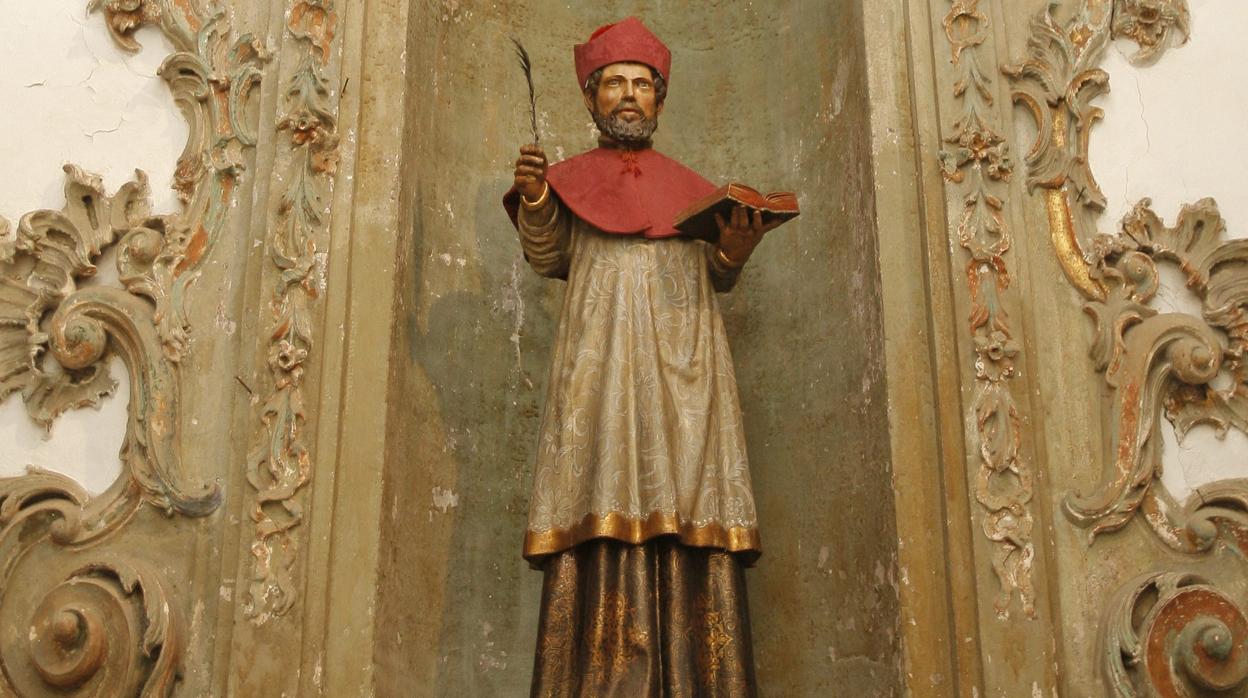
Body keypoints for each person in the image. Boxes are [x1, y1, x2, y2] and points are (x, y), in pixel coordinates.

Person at [503, 17, 778, 697]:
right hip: (598, 370)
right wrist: (537, 198)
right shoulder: (567, 182)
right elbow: (547, 256)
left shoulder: (691, 187)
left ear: (659, 99)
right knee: (598, 505)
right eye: (616, 84)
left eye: (642, 85)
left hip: (684, 376)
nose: (629, 96)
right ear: (592, 97)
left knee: (688, 515)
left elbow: (715, 272)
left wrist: (731, 253)